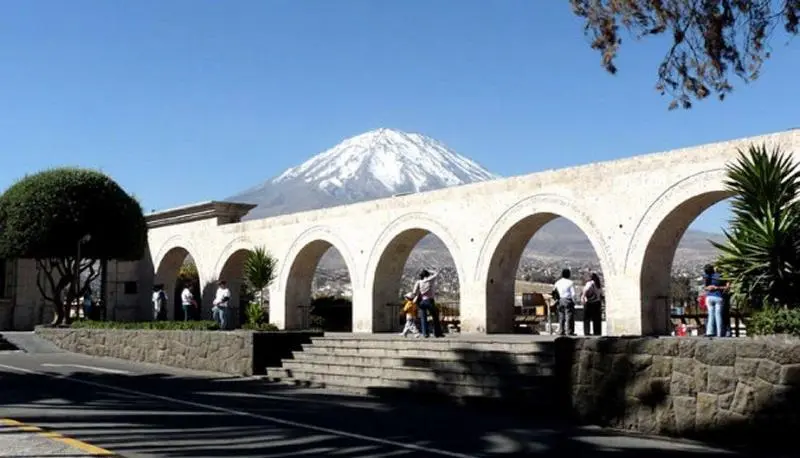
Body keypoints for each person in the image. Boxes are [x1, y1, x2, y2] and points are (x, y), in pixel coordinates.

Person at [411, 269, 444, 338]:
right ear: (427, 274)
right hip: (429, 301)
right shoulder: (430, 280)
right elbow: (436, 273)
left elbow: (414, 292)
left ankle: (425, 333)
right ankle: (437, 333)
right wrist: (430, 270)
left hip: (421, 302)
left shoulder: (418, 282)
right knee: (435, 317)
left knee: (423, 318)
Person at [703, 264, 727, 337]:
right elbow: (727, 287)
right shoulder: (720, 276)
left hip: (709, 297)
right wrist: (717, 287)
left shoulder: (707, 276)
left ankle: (709, 332)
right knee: (718, 315)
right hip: (718, 297)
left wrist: (710, 287)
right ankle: (719, 333)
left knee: (711, 315)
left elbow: (705, 288)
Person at [553, 268, 577, 337]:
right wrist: (574, 301)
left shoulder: (557, 282)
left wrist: (556, 300)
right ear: (569, 274)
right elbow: (573, 294)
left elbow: (554, 292)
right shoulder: (570, 282)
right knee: (569, 316)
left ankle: (561, 330)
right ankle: (569, 331)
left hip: (560, 300)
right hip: (568, 300)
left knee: (561, 316)